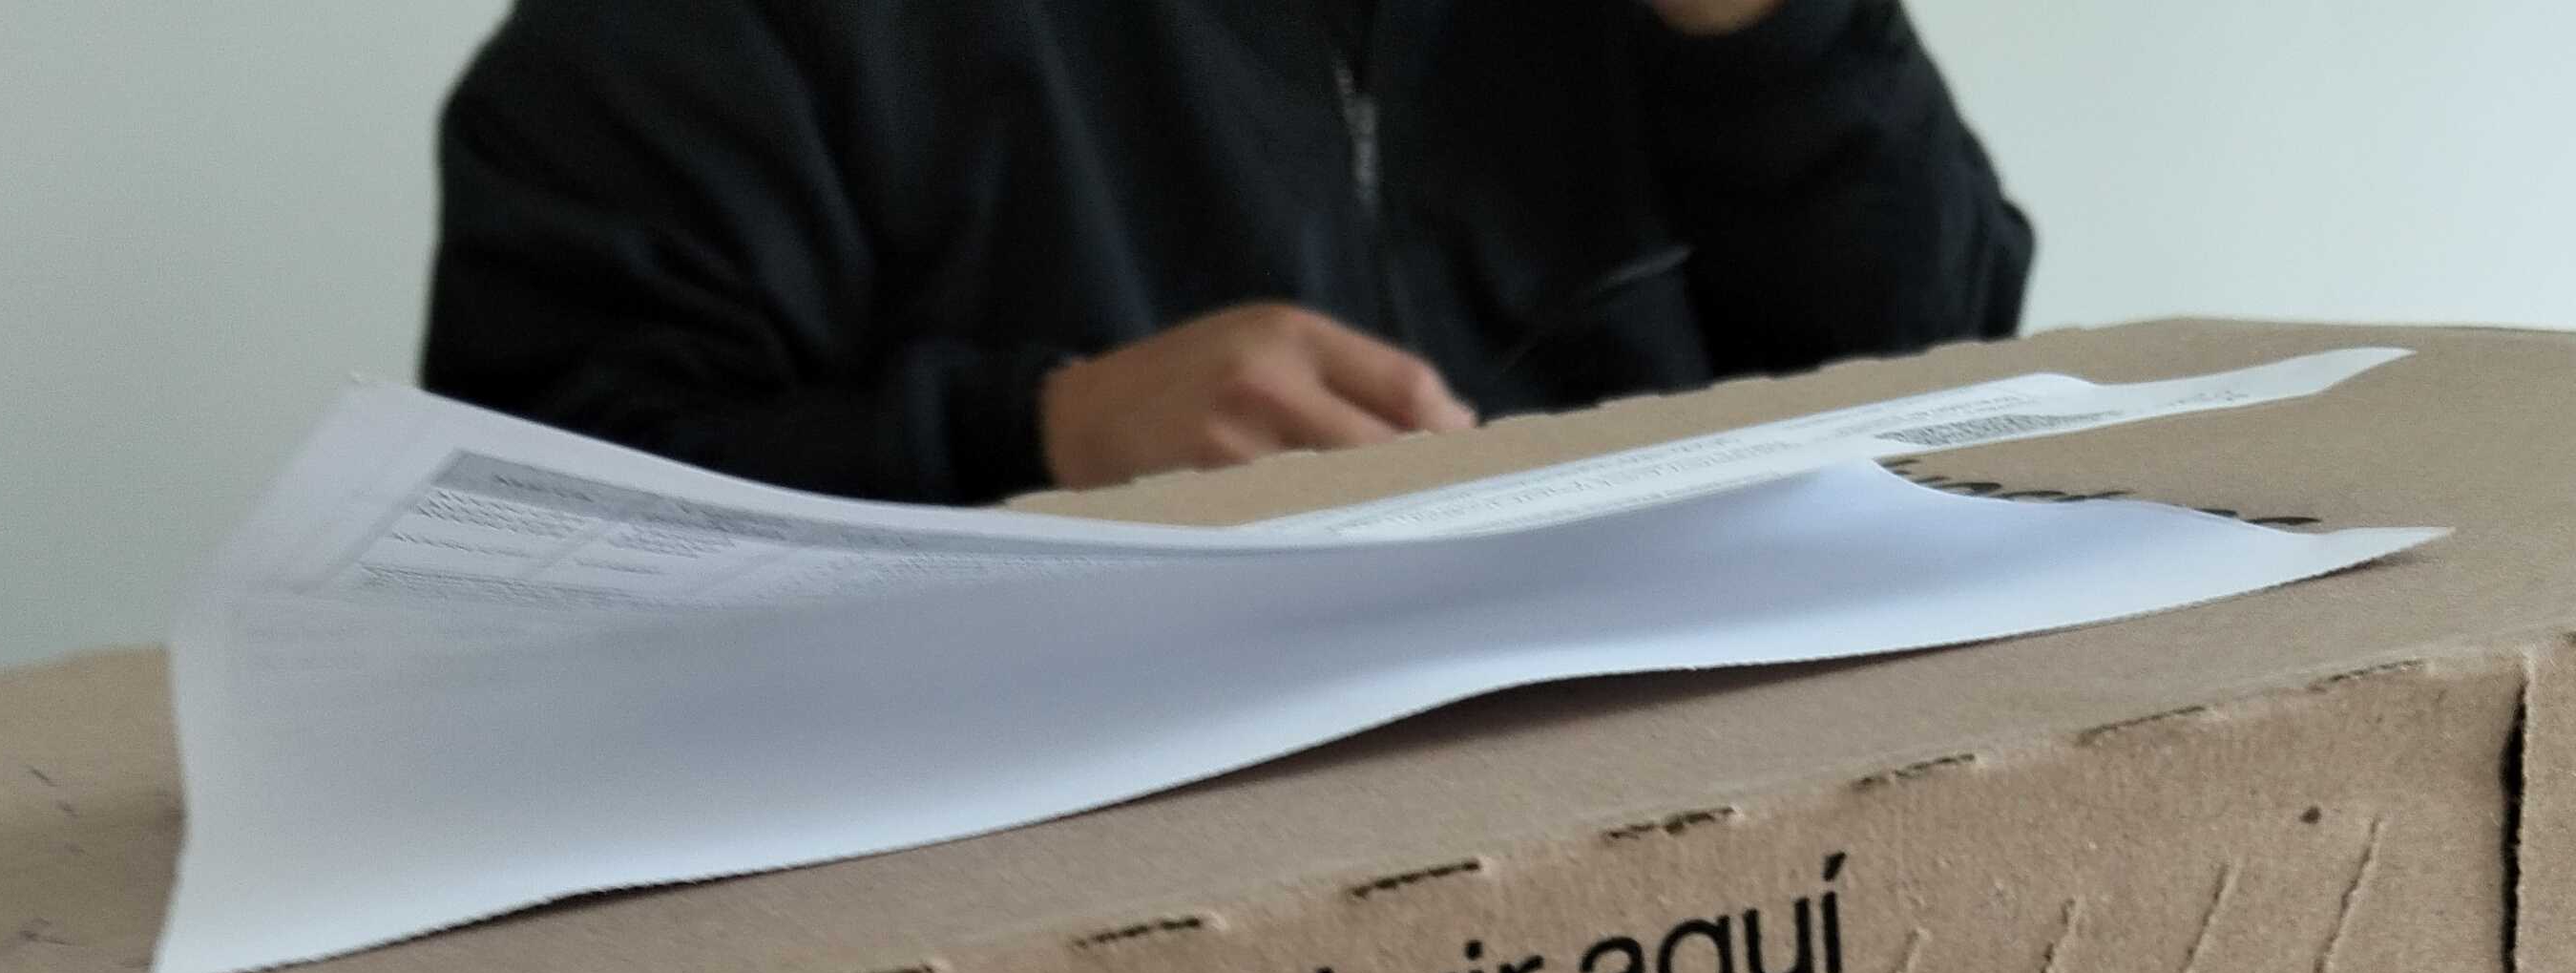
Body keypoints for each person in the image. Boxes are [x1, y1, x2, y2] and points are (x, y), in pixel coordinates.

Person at [423, 0, 2031, 503]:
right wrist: (1040, 434)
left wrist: (1775, 34)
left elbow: (1951, 380)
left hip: (1673, 880)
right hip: (1031, 955)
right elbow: (523, 528)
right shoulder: (686, 43)